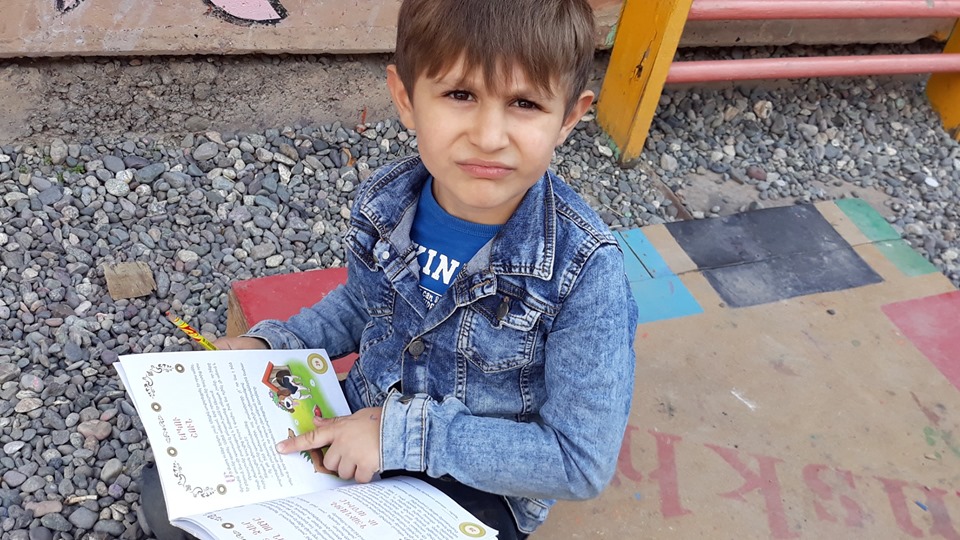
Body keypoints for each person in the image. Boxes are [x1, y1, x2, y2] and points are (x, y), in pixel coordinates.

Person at [142, 0, 637, 538]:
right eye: (460, 95)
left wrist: (396, 437)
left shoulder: (586, 271)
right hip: (359, 417)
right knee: (175, 498)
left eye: (525, 103)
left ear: (568, 117)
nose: (489, 136)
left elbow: (578, 461)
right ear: (406, 98)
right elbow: (363, 304)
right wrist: (271, 345)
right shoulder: (386, 204)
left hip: (475, 483)